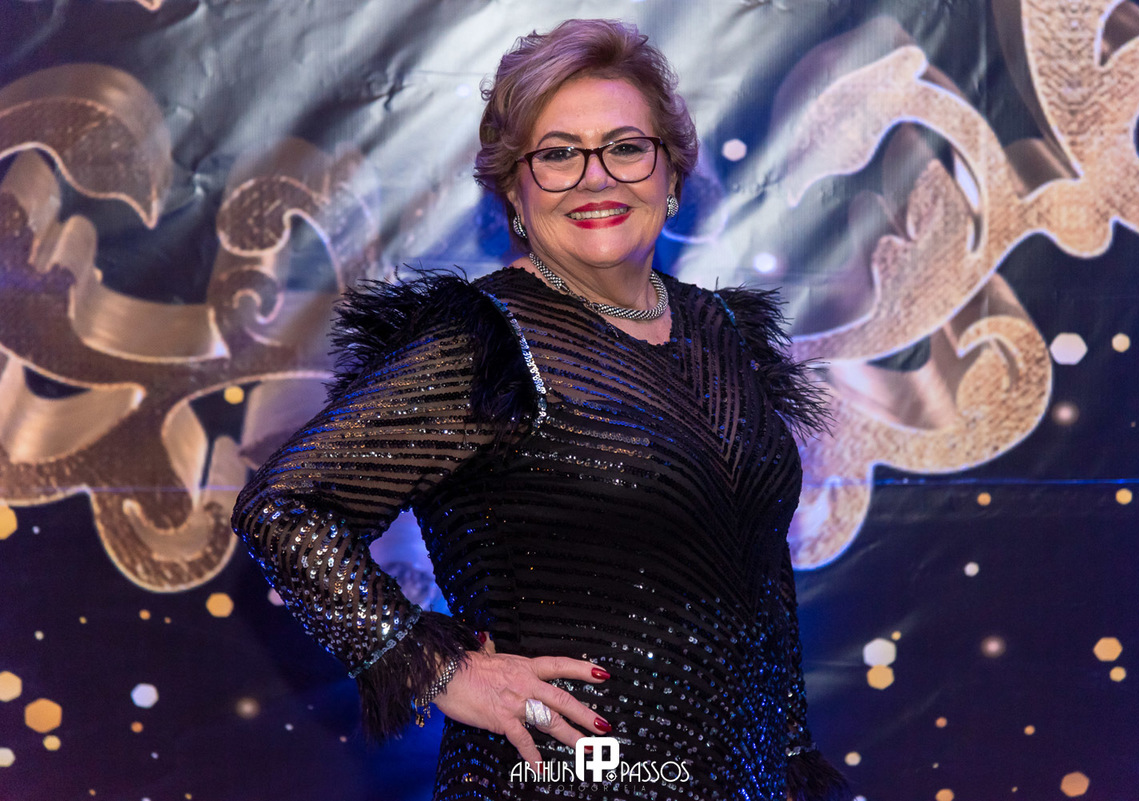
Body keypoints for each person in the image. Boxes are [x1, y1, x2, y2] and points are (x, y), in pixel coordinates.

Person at [232, 18, 846, 801]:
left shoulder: (722, 330)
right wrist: (436, 664)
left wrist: (788, 759)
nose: (597, 177)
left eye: (626, 147)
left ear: (671, 174)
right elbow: (284, 506)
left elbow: (759, 576)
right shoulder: (484, 340)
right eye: (558, 155)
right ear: (514, 192)